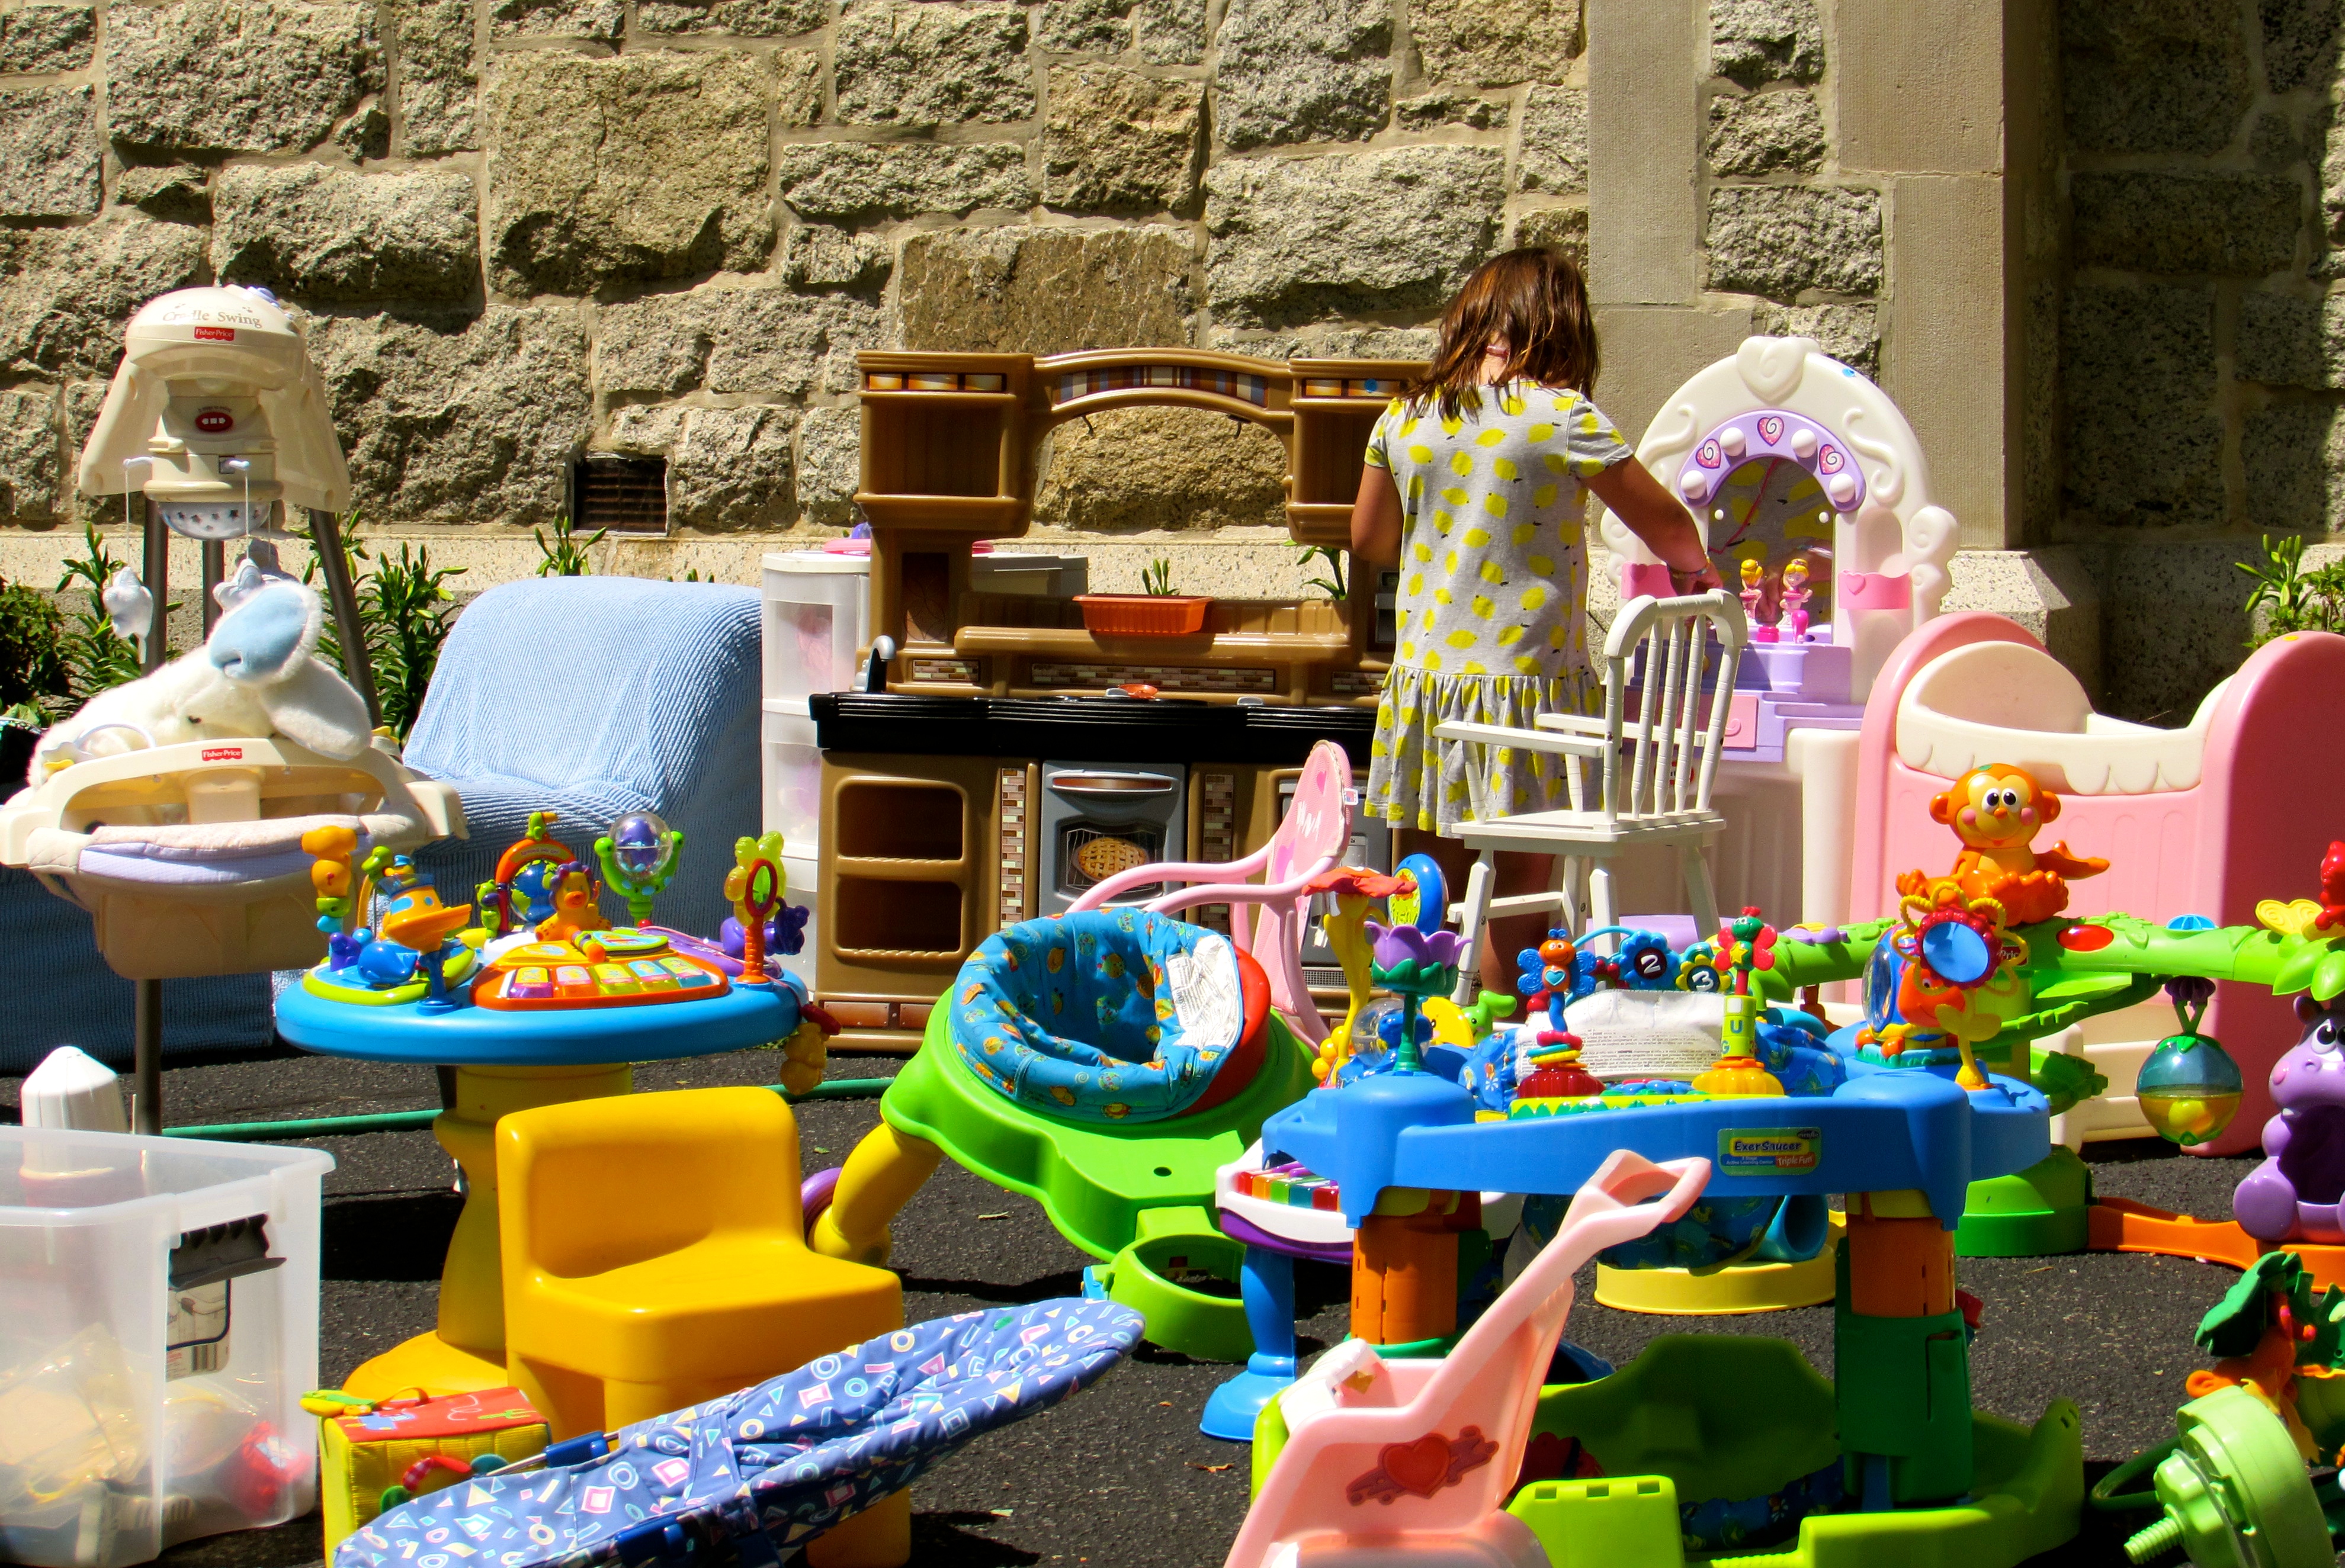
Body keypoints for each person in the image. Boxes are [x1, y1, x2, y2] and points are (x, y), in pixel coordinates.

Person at [1349, 246, 1722, 992]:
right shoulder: (1561, 416)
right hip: (1527, 691)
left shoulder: (1405, 417)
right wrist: (1693, 568)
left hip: (1427, 687)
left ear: (1469, 323)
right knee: (1515, 883)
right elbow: (1666, 526)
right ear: (1558, 328)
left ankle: (1425, 1025)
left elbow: (1369, 541)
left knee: (1429, 881)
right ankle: (1497, 1029)